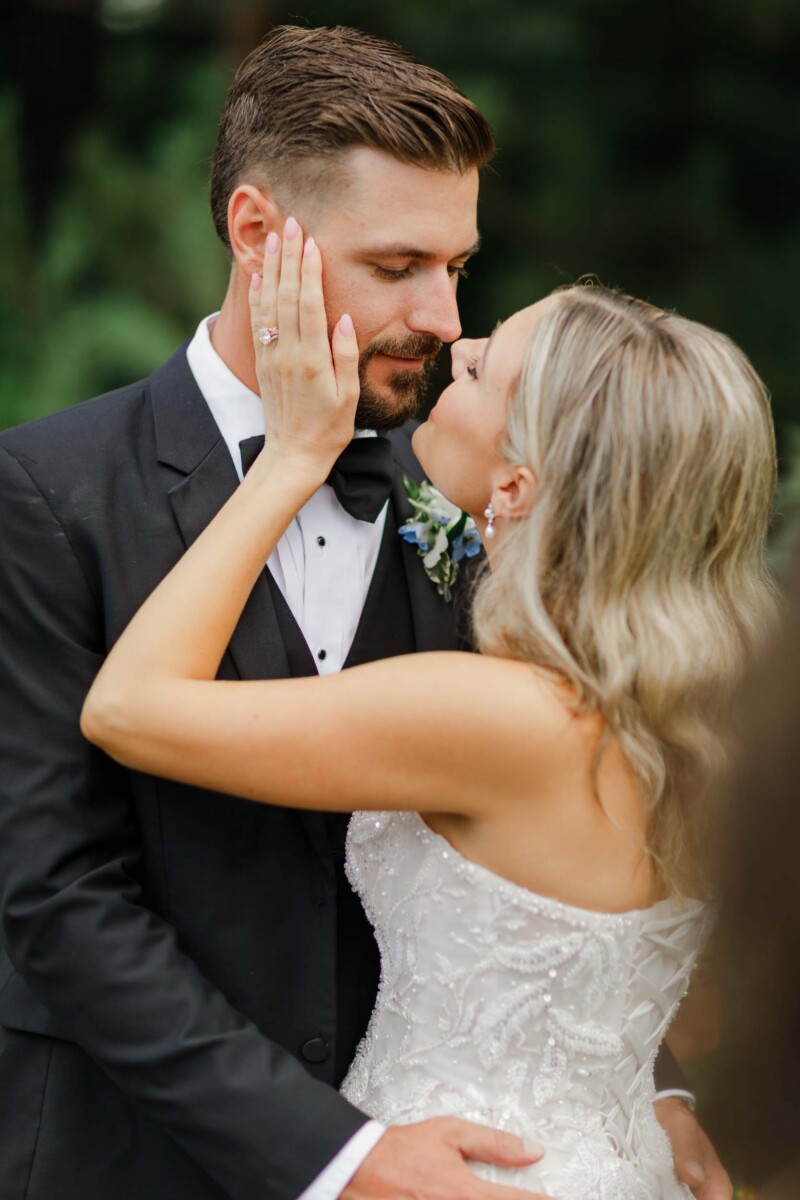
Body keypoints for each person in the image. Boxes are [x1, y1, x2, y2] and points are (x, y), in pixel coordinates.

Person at [0, 22, 729, 1200]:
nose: (441, 318)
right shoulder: (46, 492)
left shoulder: (467, 494)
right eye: (397, 266)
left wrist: (635, 1081)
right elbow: (56, 898)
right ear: (256, 234)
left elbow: (558, 865)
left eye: (457, 267)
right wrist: (334, 1156)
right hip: (128, 1159)